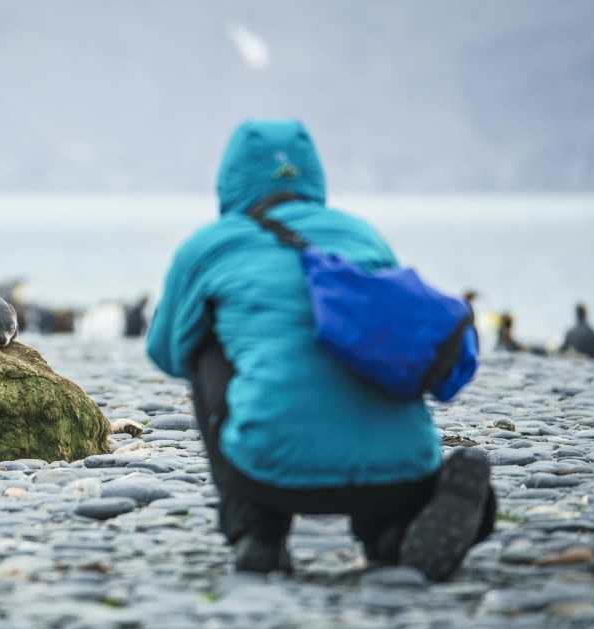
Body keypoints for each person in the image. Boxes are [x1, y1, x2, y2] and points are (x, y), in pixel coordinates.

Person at [146, 119, 495, 581]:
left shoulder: (210, 246)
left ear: (229, 178)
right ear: (313, 174)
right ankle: (396, 535)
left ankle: (257, 532)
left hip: (269, 471)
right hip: (399, 471)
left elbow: (167, 352)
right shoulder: (361, 236)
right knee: (363, 338)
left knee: (201, 341)